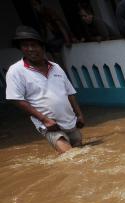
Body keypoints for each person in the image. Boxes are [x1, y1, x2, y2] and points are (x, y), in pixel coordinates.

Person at [5, 26, 85, 154]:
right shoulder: (16, 71)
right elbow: (16, 99)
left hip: (70, 121)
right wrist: (44, 119)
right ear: (21, 48)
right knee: (71, 156)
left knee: (81, 154)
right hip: (49, 125)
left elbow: (69, 93)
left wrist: (79, 114)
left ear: (42, 47)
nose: (30, 49)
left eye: (34, 45)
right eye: (26, 45)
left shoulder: (56, 67)